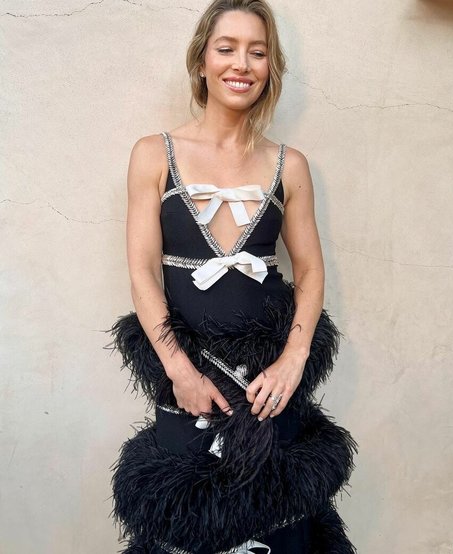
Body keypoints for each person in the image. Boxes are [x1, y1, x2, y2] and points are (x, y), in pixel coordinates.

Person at [105, 1, 358, 552]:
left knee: (280, 522)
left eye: (257, 52)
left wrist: (293, 361)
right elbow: (142, 271)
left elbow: (310, 271)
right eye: (226, 48)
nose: (241, 64)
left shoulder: (290, 164)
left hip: (268, 384)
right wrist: (179, 370)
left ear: (270, 67)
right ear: (202, 61)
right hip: (190, 376)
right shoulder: (153, 154)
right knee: (185, 518)